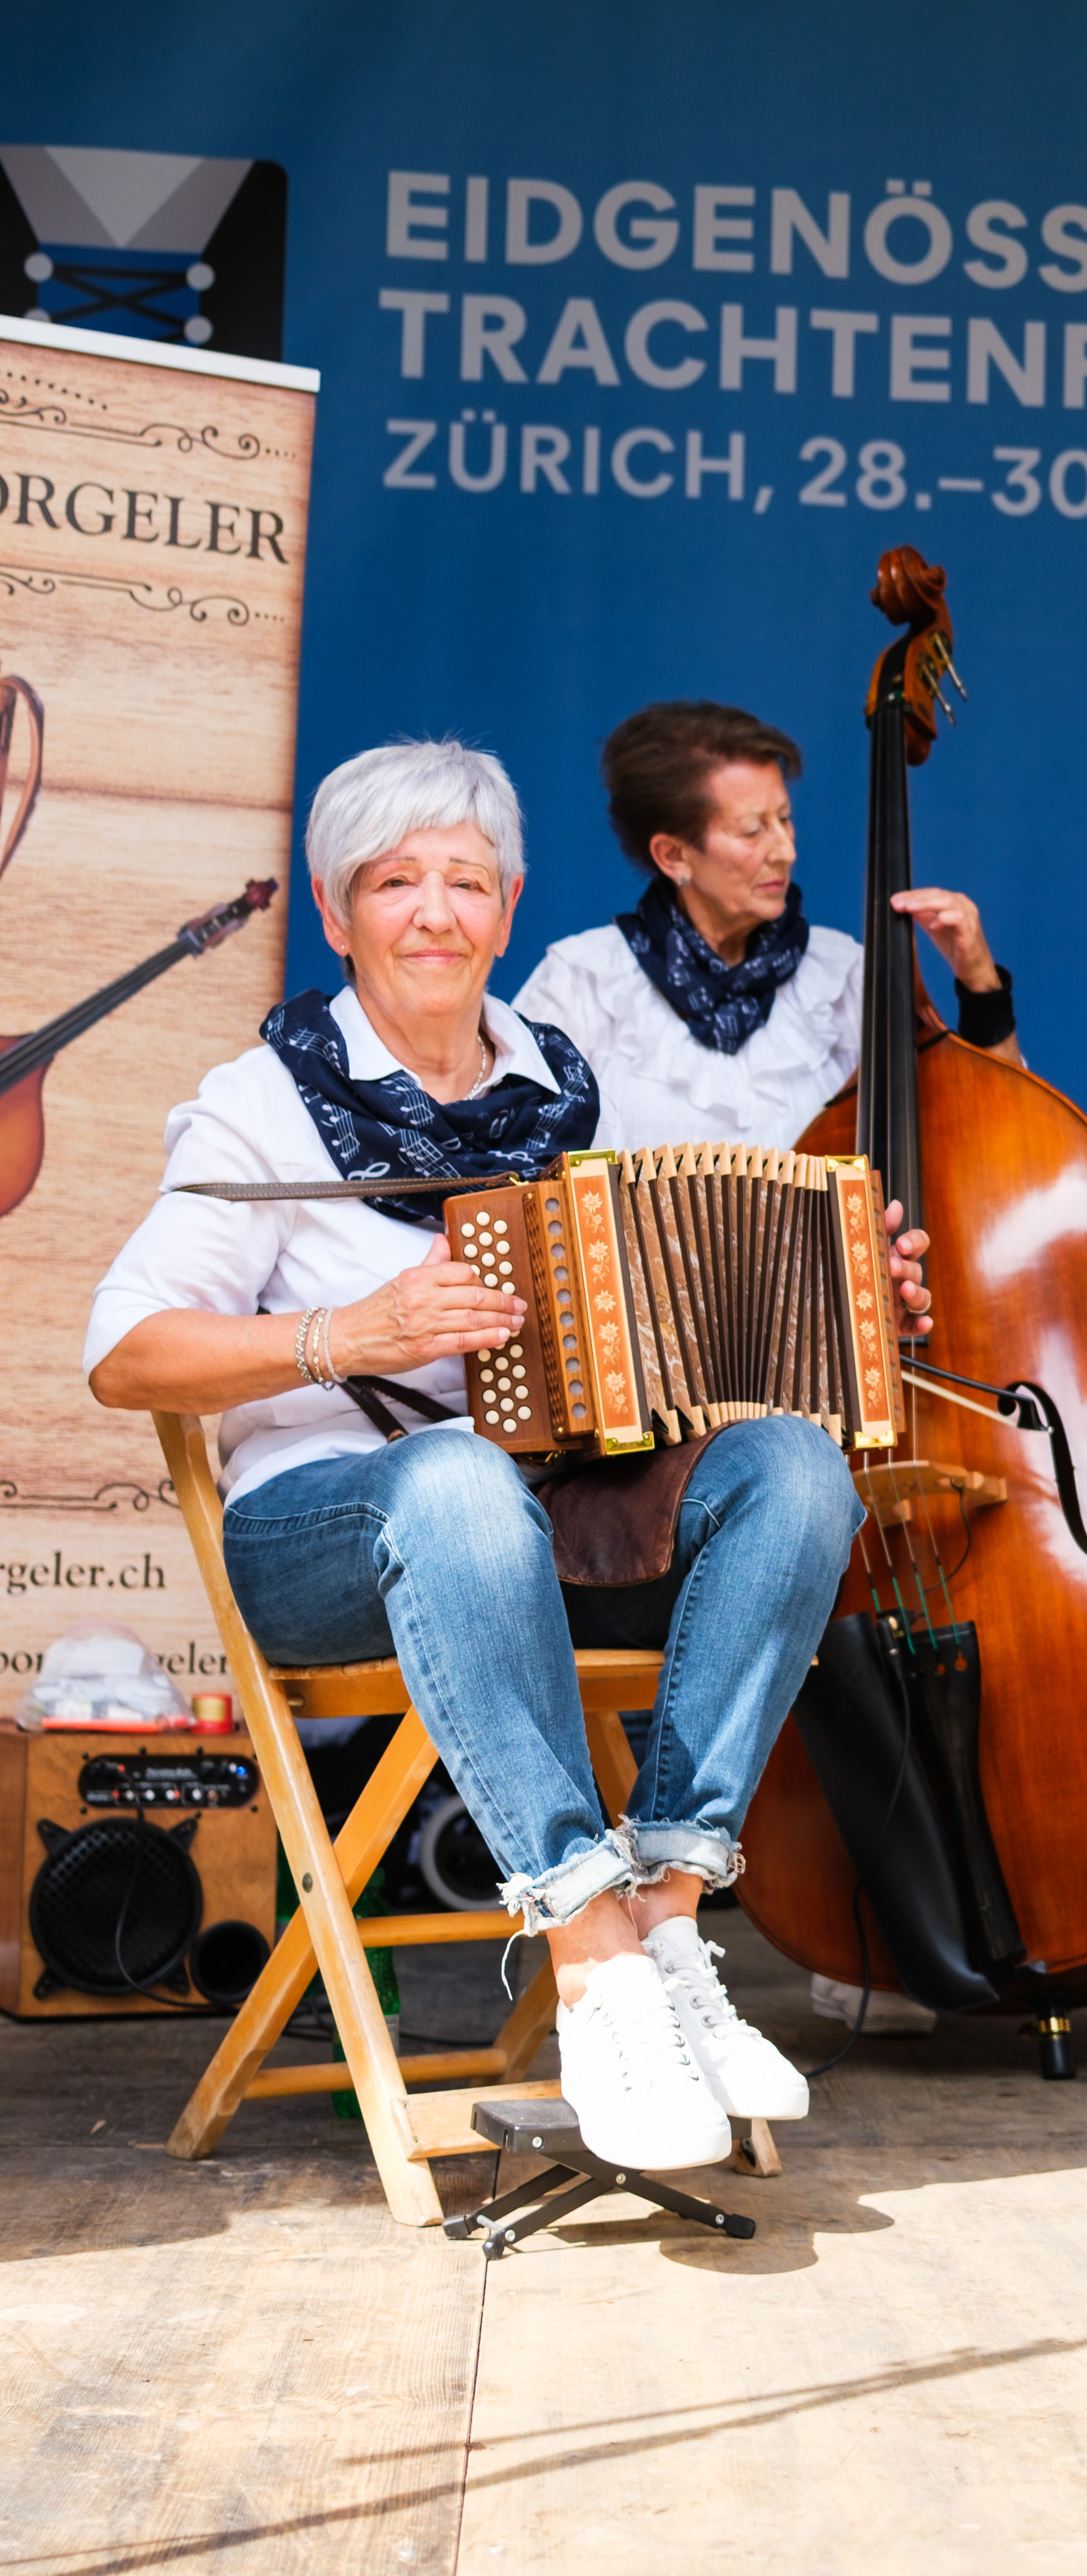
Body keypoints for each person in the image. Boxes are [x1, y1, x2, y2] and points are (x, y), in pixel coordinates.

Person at [85, 738, 931, 2174]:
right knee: (459, 1480)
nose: (434, 913)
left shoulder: (554, 1085)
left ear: (511, 902)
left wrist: (843, 1289)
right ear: (335, 907)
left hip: (531, 1535)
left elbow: (635, 1328)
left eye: (465, 881)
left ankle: (666, 1913)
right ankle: (593, 1963)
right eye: (394, 882)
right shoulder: (266, 1099)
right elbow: (126, 1352)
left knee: (793, 1468)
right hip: (321, 1540)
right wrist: (345, 1332)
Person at [516, 698, 1023, 2034]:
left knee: (860, 1544)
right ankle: (693, 1896)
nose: (783, 848)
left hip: (832, 1378)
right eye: (750, 827)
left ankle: (903, 1912)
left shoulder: (853, 974)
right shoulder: (574, 984)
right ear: (672, 854)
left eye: (787, 819)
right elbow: (531, 1187)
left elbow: (987, 1132)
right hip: (651, 1402)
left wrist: (976, 987)